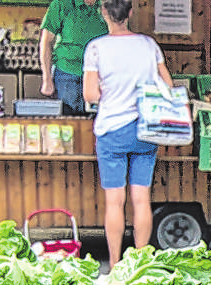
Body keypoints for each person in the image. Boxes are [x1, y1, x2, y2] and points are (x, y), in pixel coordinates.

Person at [82, 0, 174, 267]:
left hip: (111, 130)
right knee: (141, 199)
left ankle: (114, 264)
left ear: (103, 13)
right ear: (130, 13)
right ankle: (140, 264)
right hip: (145, 129)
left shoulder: (96, 48)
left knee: (114, 202)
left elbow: (90, 94)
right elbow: (167, 85)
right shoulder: (148, 45)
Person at [40, 0, 107, 115]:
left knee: (97, 122)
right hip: (67, 75)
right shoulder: (61, 4)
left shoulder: (108, 5)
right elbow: (46, 42)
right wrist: (47, 79)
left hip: (99, 76)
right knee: (68, 123)